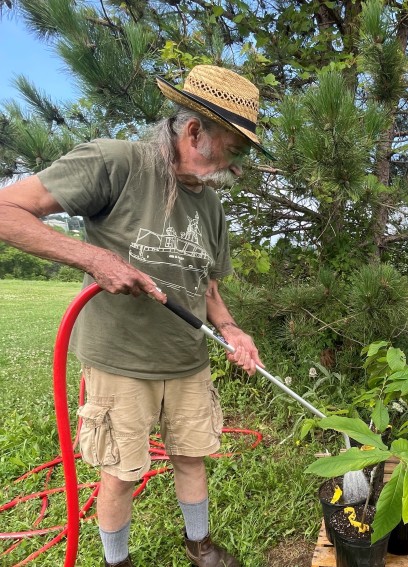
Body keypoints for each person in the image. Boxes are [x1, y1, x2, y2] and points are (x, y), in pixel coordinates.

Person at [0, 65, 271, 567]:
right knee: (121, 473)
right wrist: (94, 258)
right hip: (122, 361)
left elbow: (206, 283)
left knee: (193, 456)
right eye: (233, 149)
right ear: (194, 131)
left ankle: (200, 545)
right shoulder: (116, 162)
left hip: (188, 359)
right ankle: (116, 562)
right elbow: (7, 210)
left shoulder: (210, 205)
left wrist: (232, 329)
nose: (237, 166)